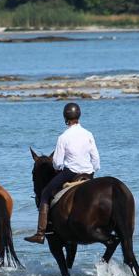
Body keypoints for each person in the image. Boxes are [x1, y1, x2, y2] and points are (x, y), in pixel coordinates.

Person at [26, 102, 100, 244]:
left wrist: (60, 168)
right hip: (88, 174)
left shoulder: (63, 137)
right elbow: (96, 159)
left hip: (70, 174)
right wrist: (92, 172)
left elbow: (58, 163)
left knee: (46, 194)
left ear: (65, 118)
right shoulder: (88, 134)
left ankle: (41, 233)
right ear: (79, 116)